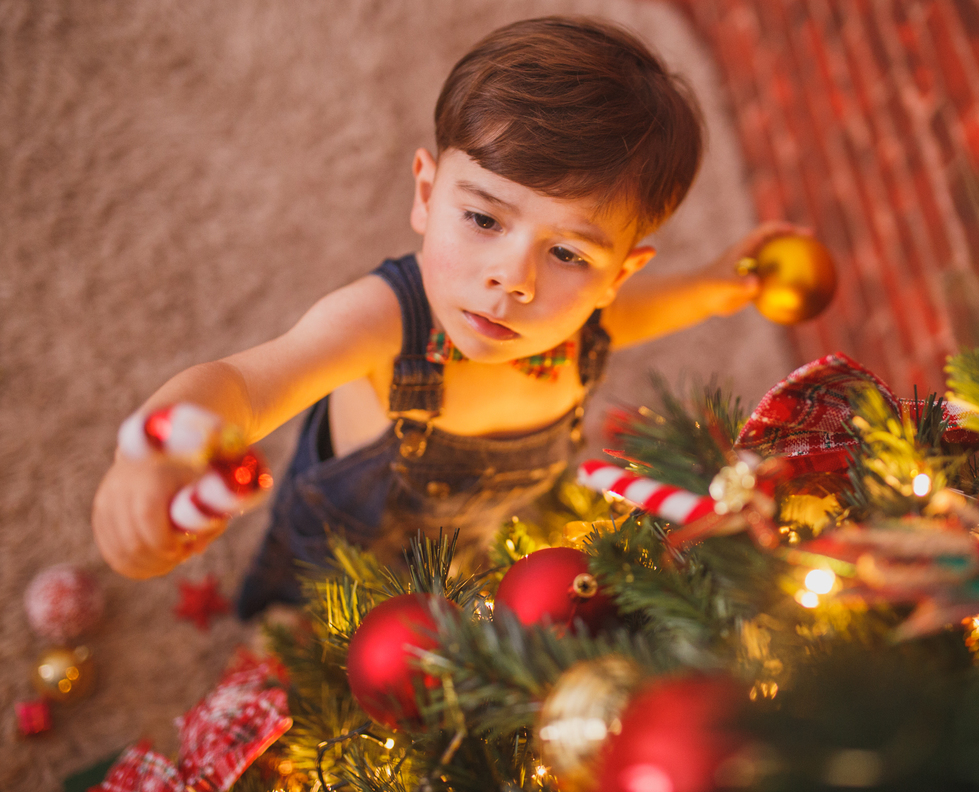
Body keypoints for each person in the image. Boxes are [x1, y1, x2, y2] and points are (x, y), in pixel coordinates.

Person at [90, 15, 803, 618]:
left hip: (479, 559)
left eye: (566, 254)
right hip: (348, 573)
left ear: (616, 275)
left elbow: (633, 314)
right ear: (426, 195)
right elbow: (243, 386)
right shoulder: (384, 323)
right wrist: (154, 457)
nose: (512, 280)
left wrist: (715, 286)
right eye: (483, 218)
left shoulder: (578, 322)